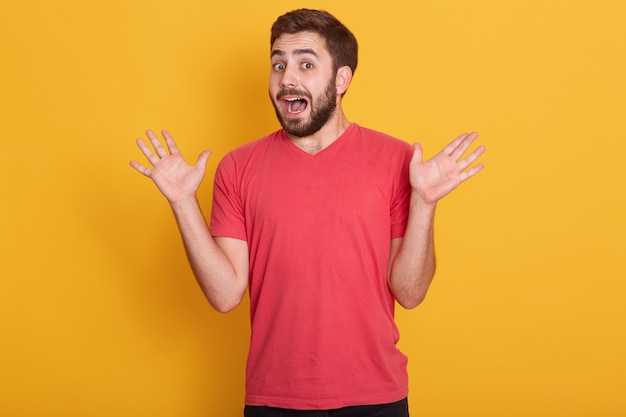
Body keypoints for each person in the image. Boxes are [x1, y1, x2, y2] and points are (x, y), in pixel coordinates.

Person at [130, 8, 485, 417]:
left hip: (376, 397)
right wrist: (182, 203)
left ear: (341, 79)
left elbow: (410, 292)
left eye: (305, 63)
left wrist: (425, 203)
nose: (287, 79)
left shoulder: (396, 160)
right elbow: (225, 295)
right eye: (278, 64)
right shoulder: (237, 167)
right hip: (272, 399)